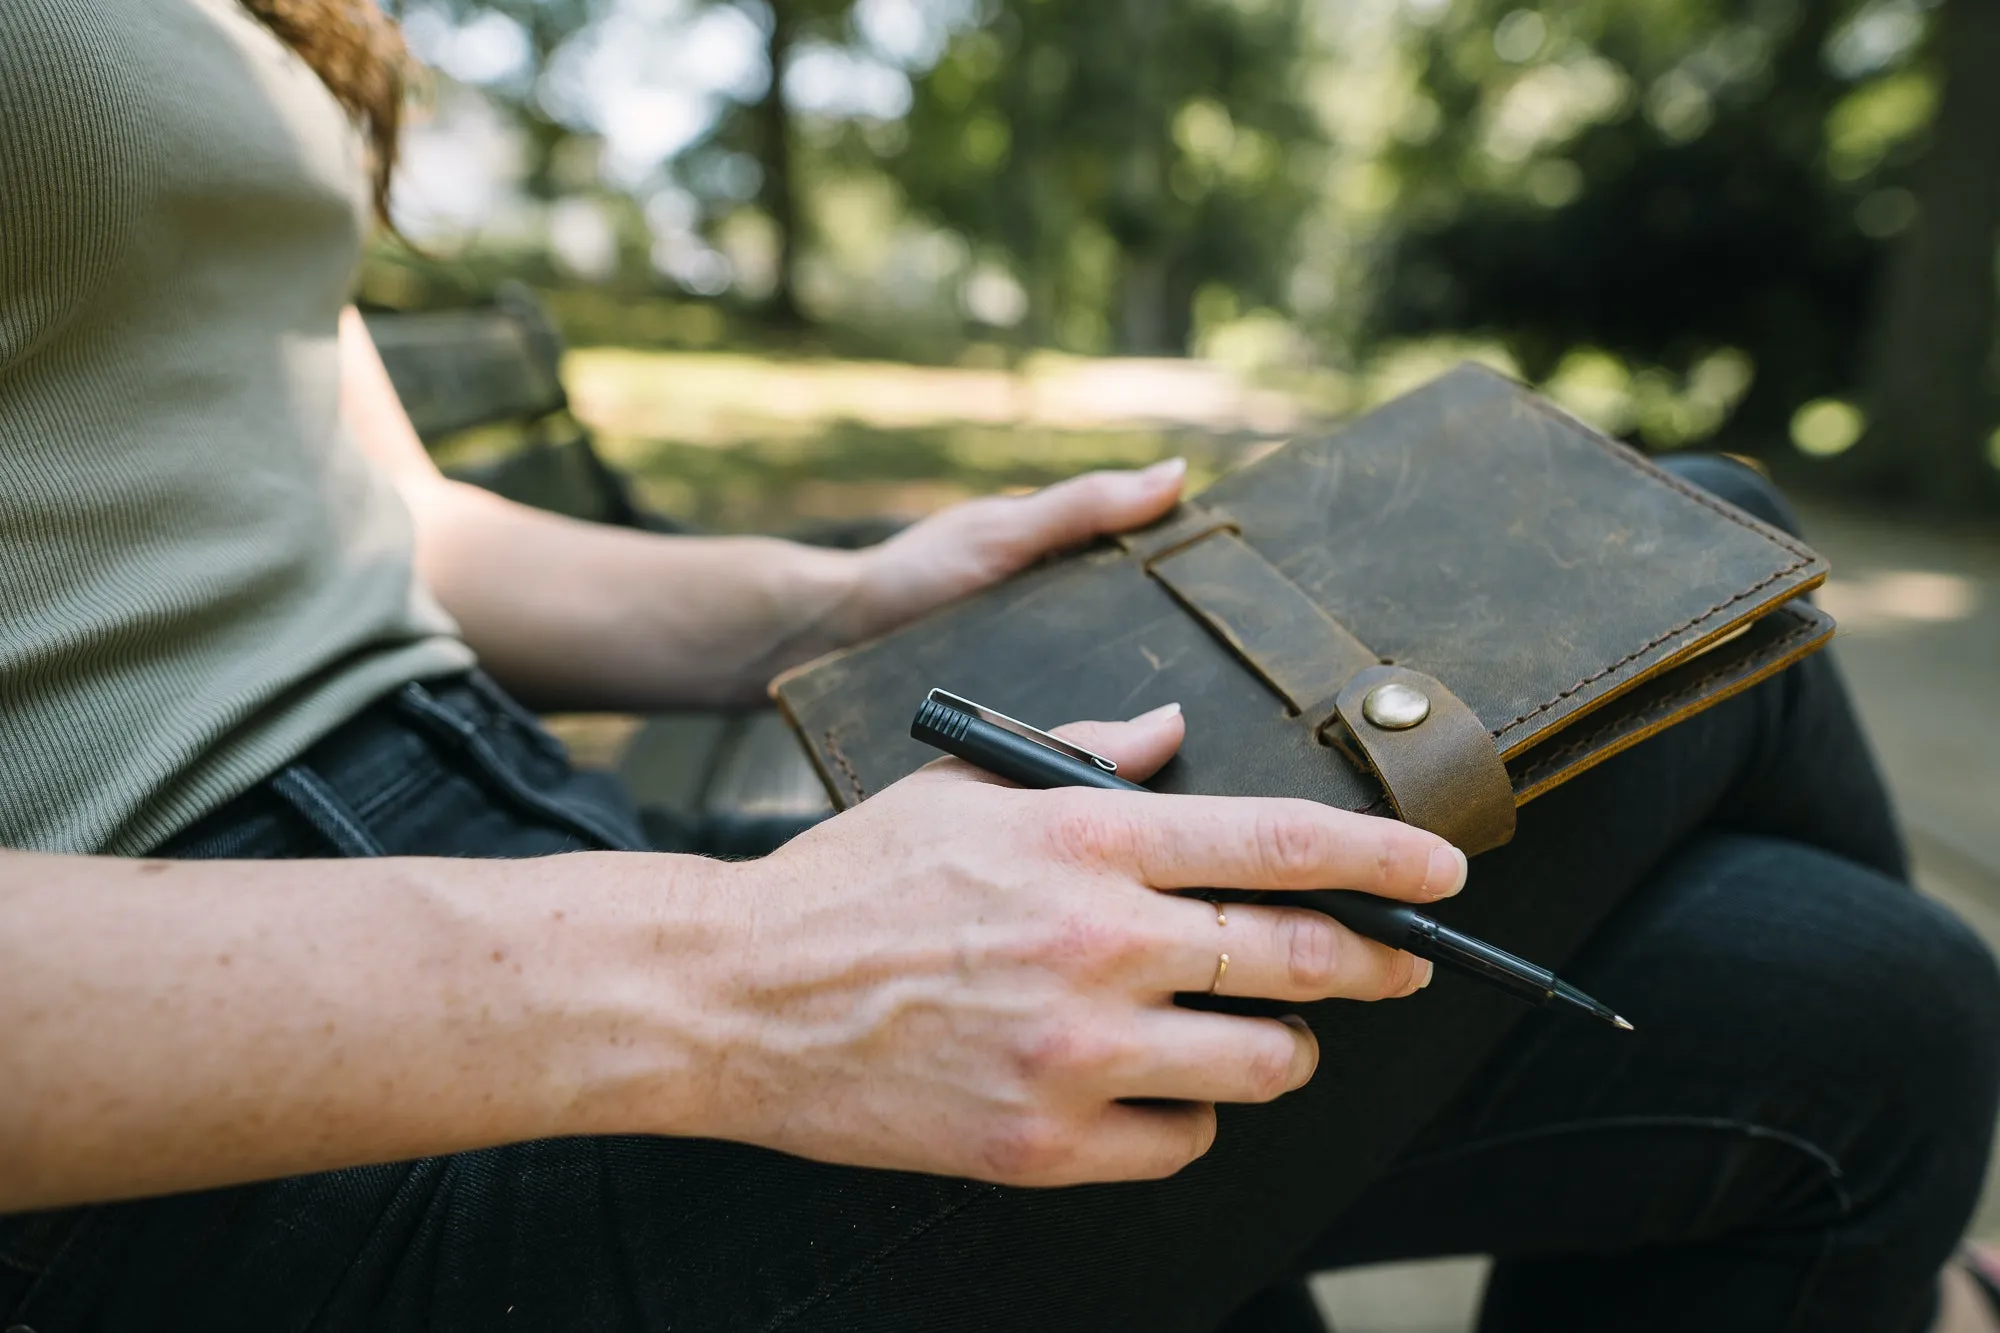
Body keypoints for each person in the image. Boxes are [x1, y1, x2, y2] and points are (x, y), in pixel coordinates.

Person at [2, 2, 1996, 1330]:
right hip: (227, 1138)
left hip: (523, 843)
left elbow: (377, 513)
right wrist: (721, 976)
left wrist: (825, 608)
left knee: (1877, 1011)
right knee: (1693, 547)